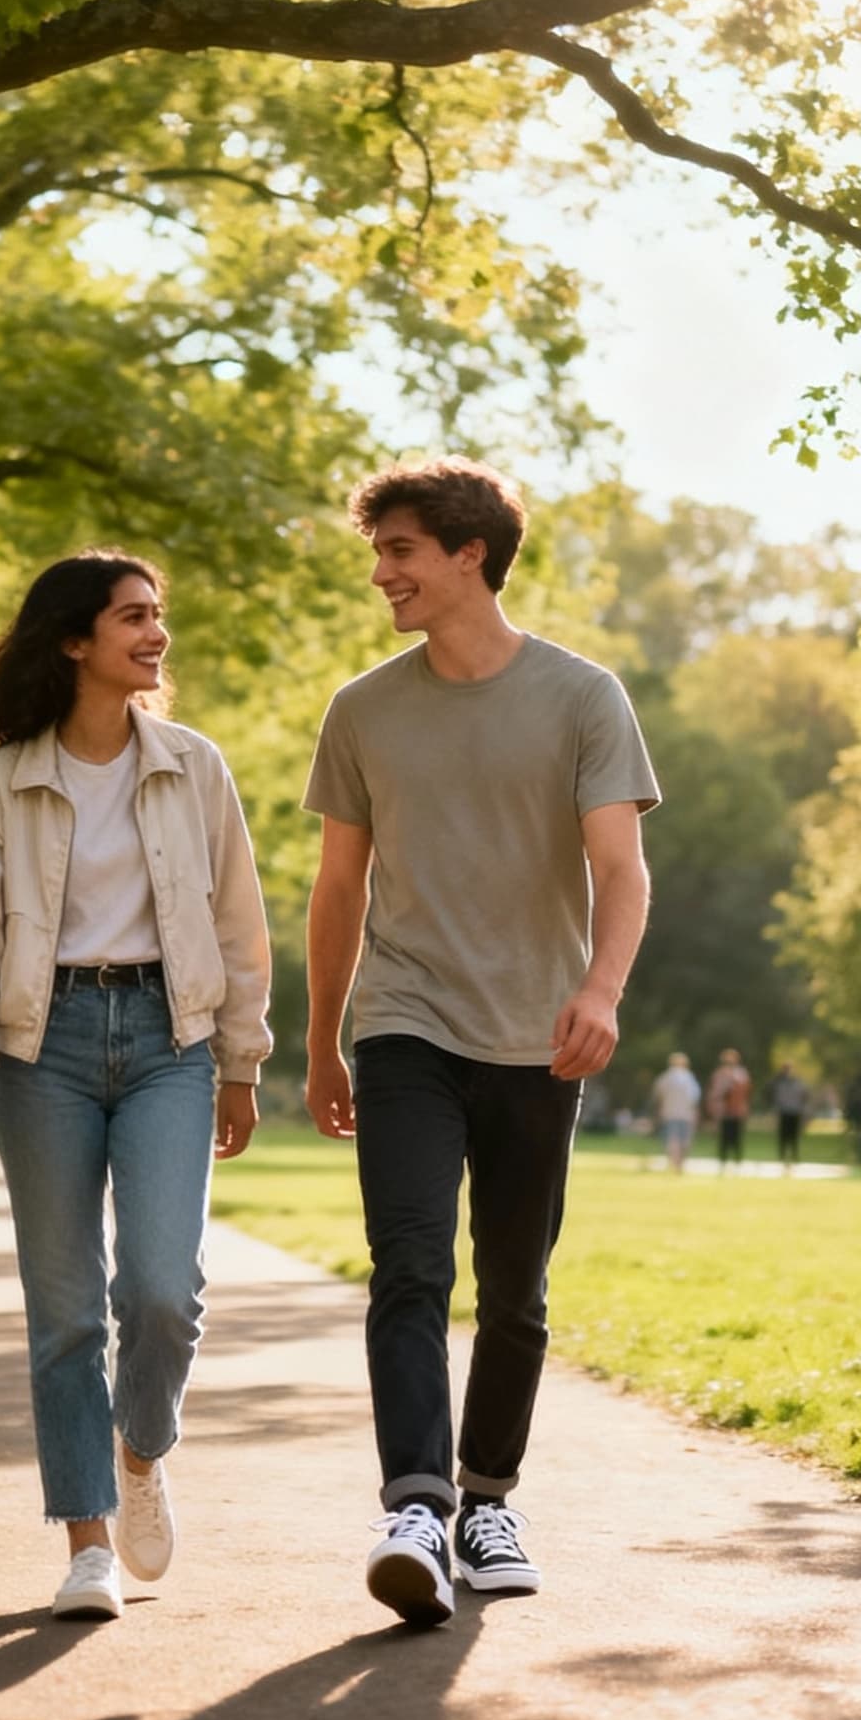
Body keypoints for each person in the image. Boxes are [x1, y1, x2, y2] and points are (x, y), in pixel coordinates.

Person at [302, 459, 659, 1628]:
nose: (381, 572)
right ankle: (411, 1502)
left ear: (468, 554)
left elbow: (618, 864)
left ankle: (485, 1498)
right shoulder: (361, 708)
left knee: (515, 1288)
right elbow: (337, 882)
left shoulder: (580, 695)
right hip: (403, 1020)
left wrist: (601, 990)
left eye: (400, 550)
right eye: (380, 551)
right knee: (409, 1262)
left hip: (535, 1034)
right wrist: (319, 1039)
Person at [0, 551, 271, 1624]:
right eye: (132, 617)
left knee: (162, 1291)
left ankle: (137, 1448)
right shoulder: (3, 782)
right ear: (75, 639)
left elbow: (237, 925)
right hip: (43, 1051)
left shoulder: (193, 765)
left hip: (170, 1036)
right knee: (65, 1311)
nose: (154, 632)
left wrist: (242, 1060)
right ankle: (85, 1542)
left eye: (158, 613)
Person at [650, 1053, 701, 1174]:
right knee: (684, 1140)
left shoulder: (665, 1077)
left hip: (669, 1113)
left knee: (672, 1139)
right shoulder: (689, 1078)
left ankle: (673, 1163)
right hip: (686, 1114)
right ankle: (680, 1165)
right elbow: (695, 1097)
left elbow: (658, 1095)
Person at [706, 1047, 751, 1169]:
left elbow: (745, 1091)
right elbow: (715, 1092)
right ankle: (723, 1160)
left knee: (736, 1137)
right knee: (724, 1137)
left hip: (737, 1110)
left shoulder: (741, 1073)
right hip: (724, 1111)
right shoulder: (720, 1073)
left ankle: (737, 1160)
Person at [770, 1061, 810, 1171]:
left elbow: (804, 1096)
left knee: (794, 1136)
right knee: (783, 1136)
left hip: (794, 1112)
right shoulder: (779, 1083)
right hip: (784, 1112)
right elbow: (777, 1098)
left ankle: (794, 1156)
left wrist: (803, 1111)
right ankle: (782, 1156)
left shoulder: (797, 1083)